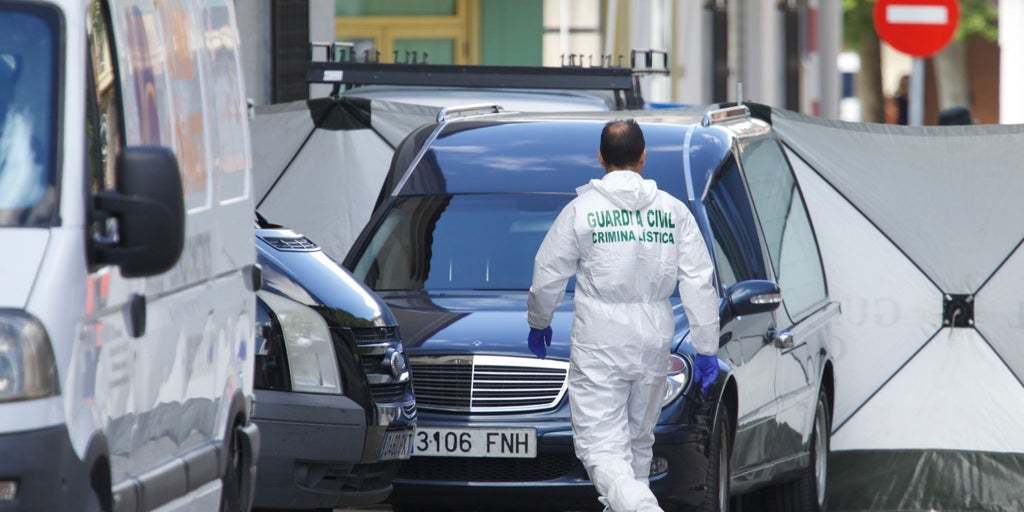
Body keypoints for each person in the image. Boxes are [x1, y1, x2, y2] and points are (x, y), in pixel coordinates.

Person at [526, 119, 720, 512]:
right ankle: (635, 501)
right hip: (654, 336)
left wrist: (539, 322)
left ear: (600, 158)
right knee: (637, 442)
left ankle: (642, 507)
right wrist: (706, 347)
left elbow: (548, 273)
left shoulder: (583, 210)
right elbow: (700, 281)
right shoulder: (672, 211)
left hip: (601, 337)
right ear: (643, 157)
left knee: (599, 446)